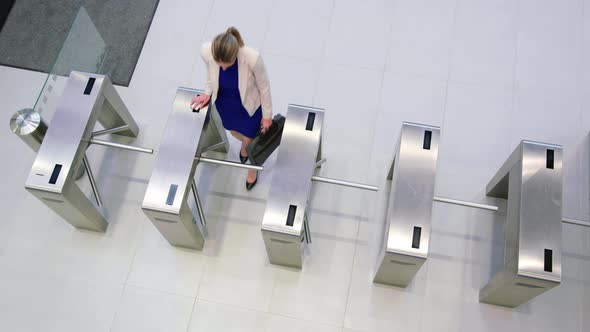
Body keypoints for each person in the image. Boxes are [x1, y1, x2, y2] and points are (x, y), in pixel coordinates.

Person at [191, 26, 272, 191]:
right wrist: (207, 93)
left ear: (235, 54)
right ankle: (244, 146)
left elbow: (264, 87)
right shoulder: (207, 51)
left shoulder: (251, 57)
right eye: (220, 64)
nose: (224, 68)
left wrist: (267, 116)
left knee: (251, 141)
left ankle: (252, 169)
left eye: (227, 64)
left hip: (248, 107)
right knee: (234, 132)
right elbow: (210, 74)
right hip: (225, 103)